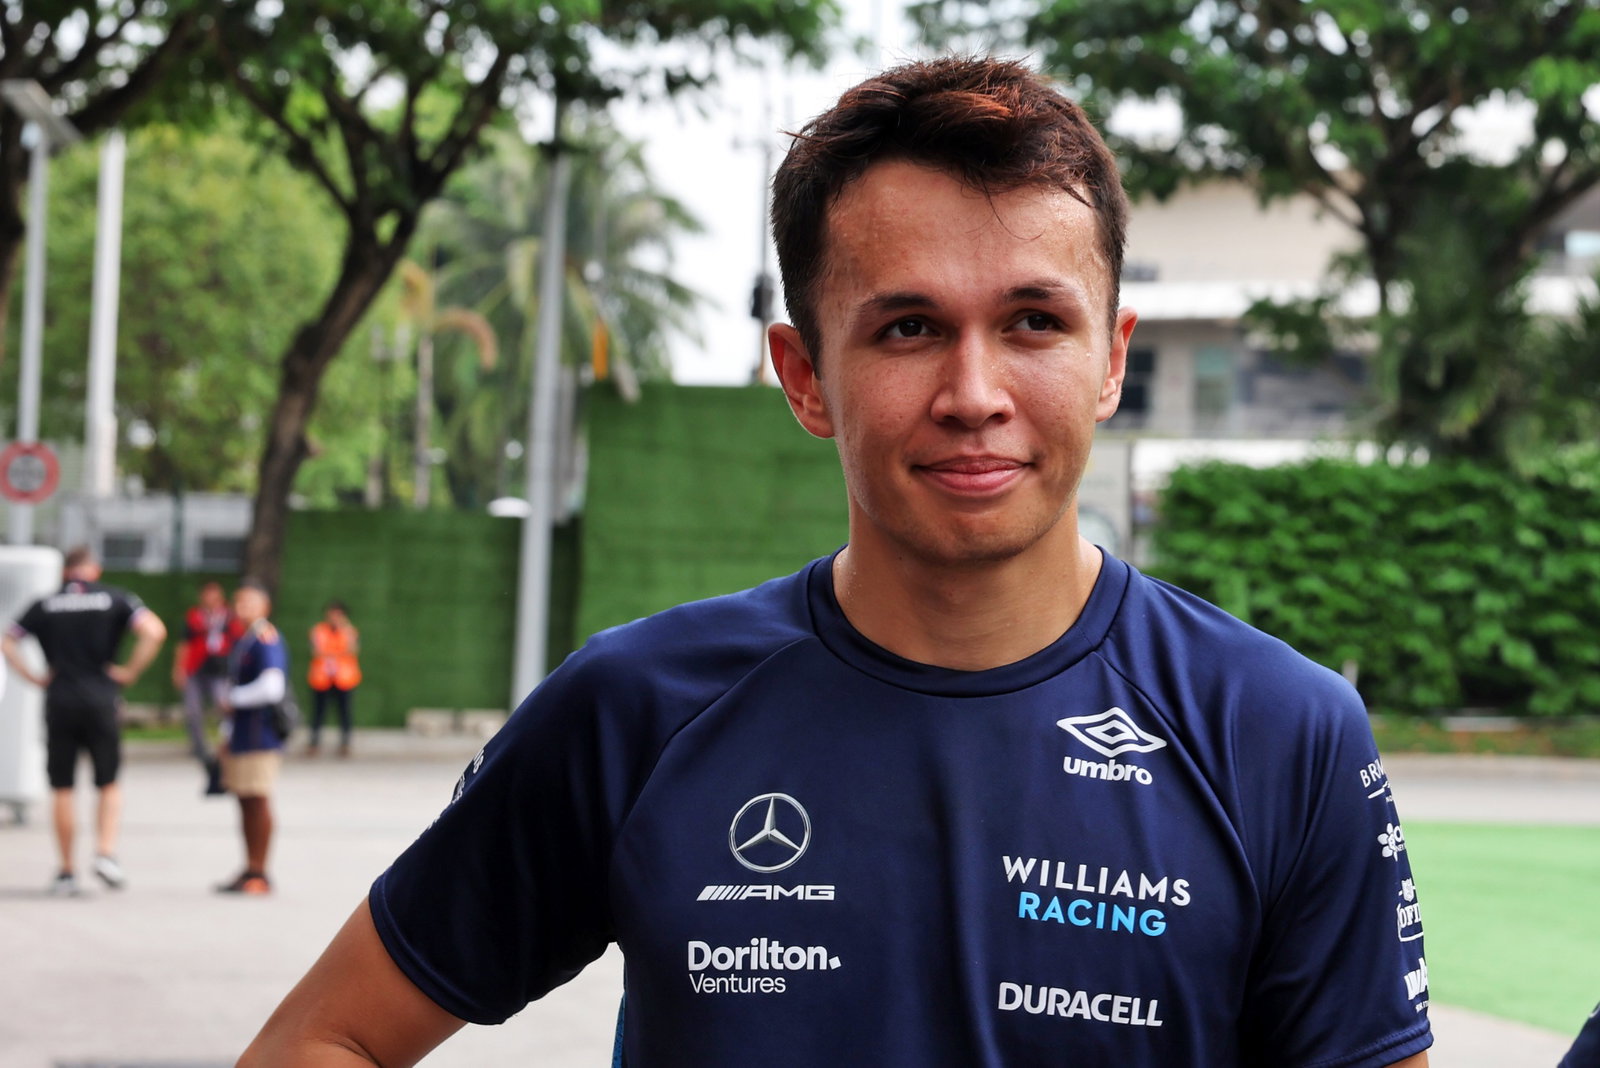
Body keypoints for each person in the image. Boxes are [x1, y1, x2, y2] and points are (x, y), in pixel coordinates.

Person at [241, 58, 1432, 1066]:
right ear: (805, 375)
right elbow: (324, 1040)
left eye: (1033, 322)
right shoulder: (637, 711)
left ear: (1111, 358)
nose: (974, 394)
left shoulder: (1280, 734)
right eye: (909, 328)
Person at [1, 546, 166, 896]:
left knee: (63, 786)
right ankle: (105, 853)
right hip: (101, 699)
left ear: (65, 571)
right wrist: (130, 671)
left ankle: (66, 870)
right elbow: (154, 631)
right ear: (94, 569)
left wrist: (32, 677)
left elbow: (7, 640)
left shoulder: (45, 603)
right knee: (108, 782)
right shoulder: (115, 597)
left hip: (60, 699)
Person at [216, 578, 290, 896]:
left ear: (265, 606)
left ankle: (260, 872)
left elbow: (272, 687)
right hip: (244, 735)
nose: (241, 607)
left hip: (261, 735)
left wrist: (233, 699)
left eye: (249, 602)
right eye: (238, 601)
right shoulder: (244, 639)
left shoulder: (265, 638)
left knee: (258, 801)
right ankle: (249, 868)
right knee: (245, 801)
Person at [171, 580, 243, 795]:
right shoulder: (194, 616)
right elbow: (184, 643)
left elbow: (239, 643)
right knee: (192, 710)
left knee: (225, 705)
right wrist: (179, 668)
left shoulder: (229, 617)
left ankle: (230, 742)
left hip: (220, 669)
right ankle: (199, 747)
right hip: (196, 668)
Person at [306, 599, 361, 757]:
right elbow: (316, 650)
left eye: (338, 615)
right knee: (318, 712)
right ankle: (314, 742)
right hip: (322, 678)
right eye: (332, 614)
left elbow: (353, 649)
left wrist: (344, 630)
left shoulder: (349, 631)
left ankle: (345, 743)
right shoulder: (318, 630)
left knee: (345, 712)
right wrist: (337, 653)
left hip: (344, 678)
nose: (334, 618)